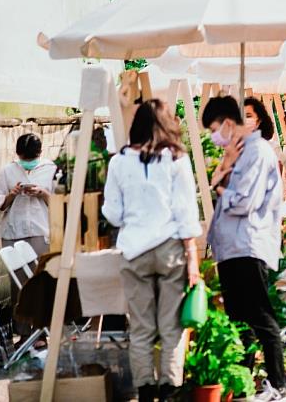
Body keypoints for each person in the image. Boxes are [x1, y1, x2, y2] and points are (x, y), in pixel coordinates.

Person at [101, 100, 202, 402]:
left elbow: (113, 214)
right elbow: (186, 213)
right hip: (170, 248)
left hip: (133, 250)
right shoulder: (176, 159)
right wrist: (193, 259)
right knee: (171, 326)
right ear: (166, 124)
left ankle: (145, 390)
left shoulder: (118, 161)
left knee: (142, 327)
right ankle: (170, 389)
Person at [201, 96, 286, 402]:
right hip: (233, 246)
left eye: (214, 128)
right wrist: (224, 169)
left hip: (247, 243)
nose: (214, 135)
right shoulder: (240, 152)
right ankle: (244, 381)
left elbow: (243, 202)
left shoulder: (256, 151)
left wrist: (220, 182)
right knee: (240, 317)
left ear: (226, 123)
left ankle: (276, 384)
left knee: (260, 315)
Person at [0, 133, 57, 335]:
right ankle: (23, 333)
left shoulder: (51, 169)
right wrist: (12, 193)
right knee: (19, 287)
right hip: (13, 231)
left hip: (40, 231)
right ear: (17, 154)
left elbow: (60, 200)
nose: (28, 163)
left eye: (32, 158)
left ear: (40, 153)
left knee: (40, 283)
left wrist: (43, 193)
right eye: (24, 159)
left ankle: (41, 332)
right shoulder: (8, 170)